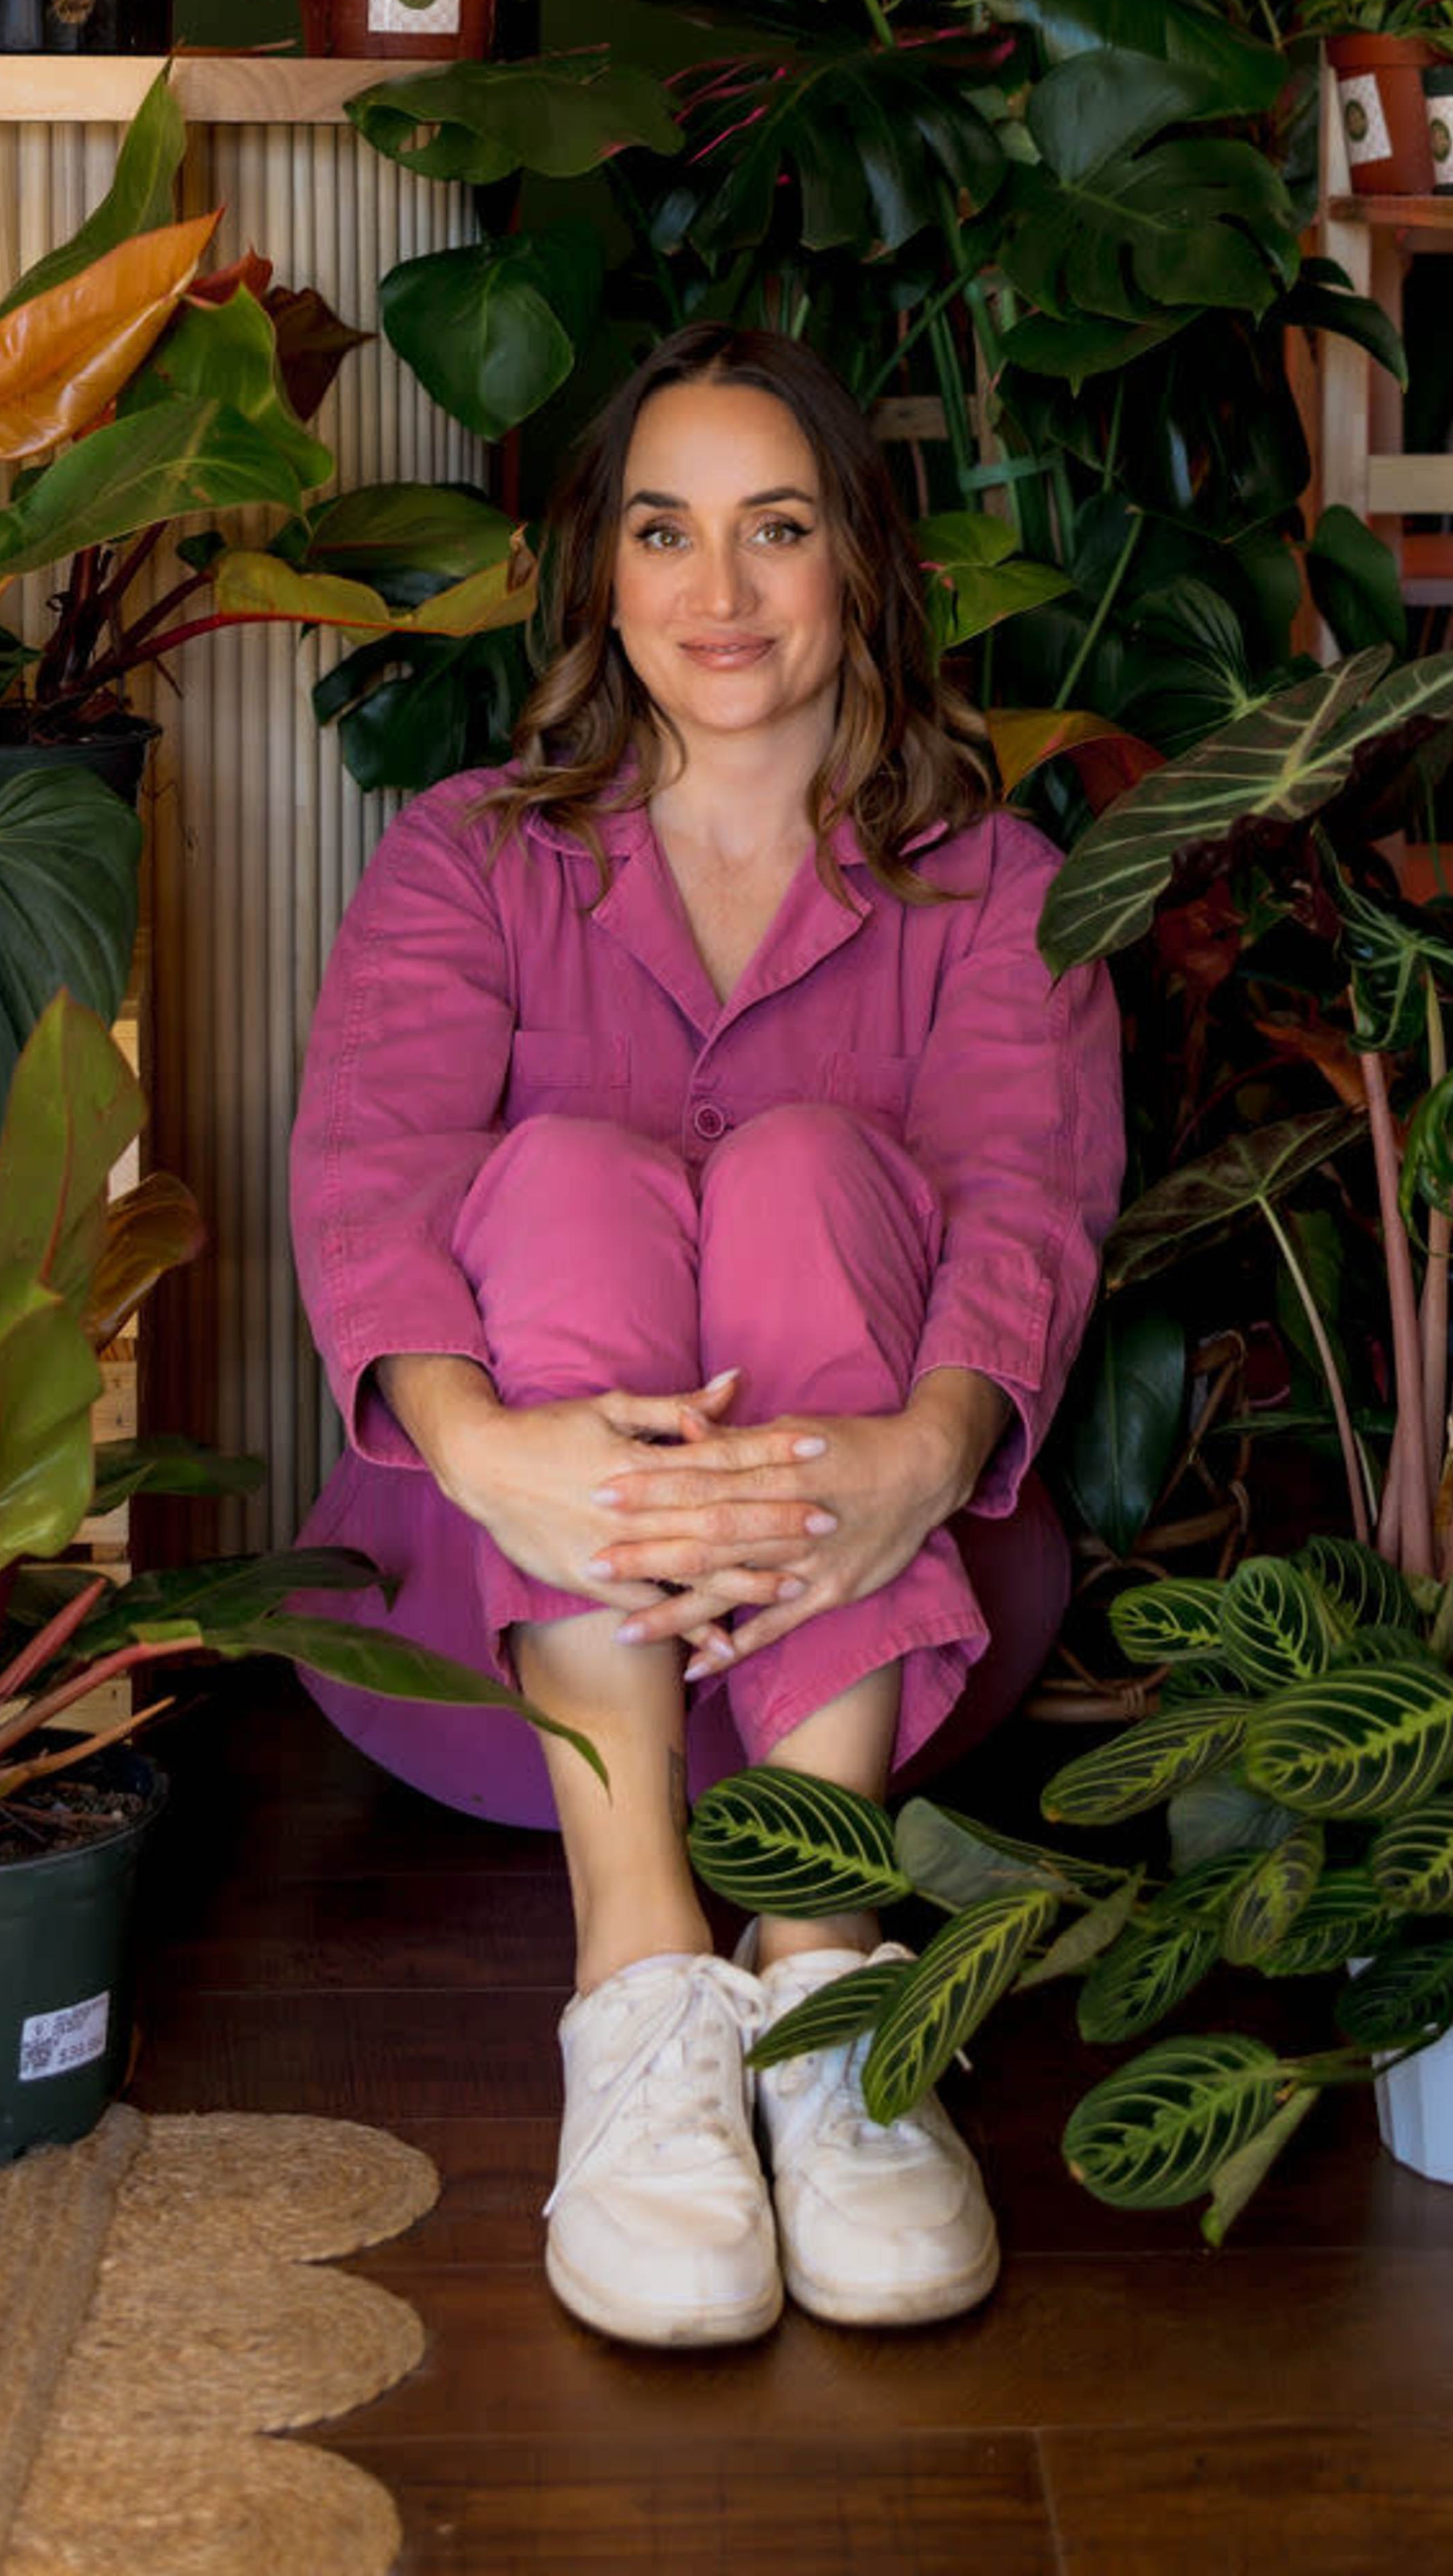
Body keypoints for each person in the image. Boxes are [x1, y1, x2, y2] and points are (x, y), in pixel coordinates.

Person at [288, 321, 1121, 2349]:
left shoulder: (996, 885)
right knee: (570, 1174)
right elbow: (372, 1174)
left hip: (883, 1607)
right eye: (667, 533)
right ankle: (644, 1978)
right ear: (603, 573)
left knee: (813, 1164)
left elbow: (1027, 1196)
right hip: (502, 1620)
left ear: (862, 568)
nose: (719, 594)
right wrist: (496, 1455)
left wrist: (916, 1462)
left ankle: (826, 1961)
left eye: (778, 531)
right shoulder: (468, 854)